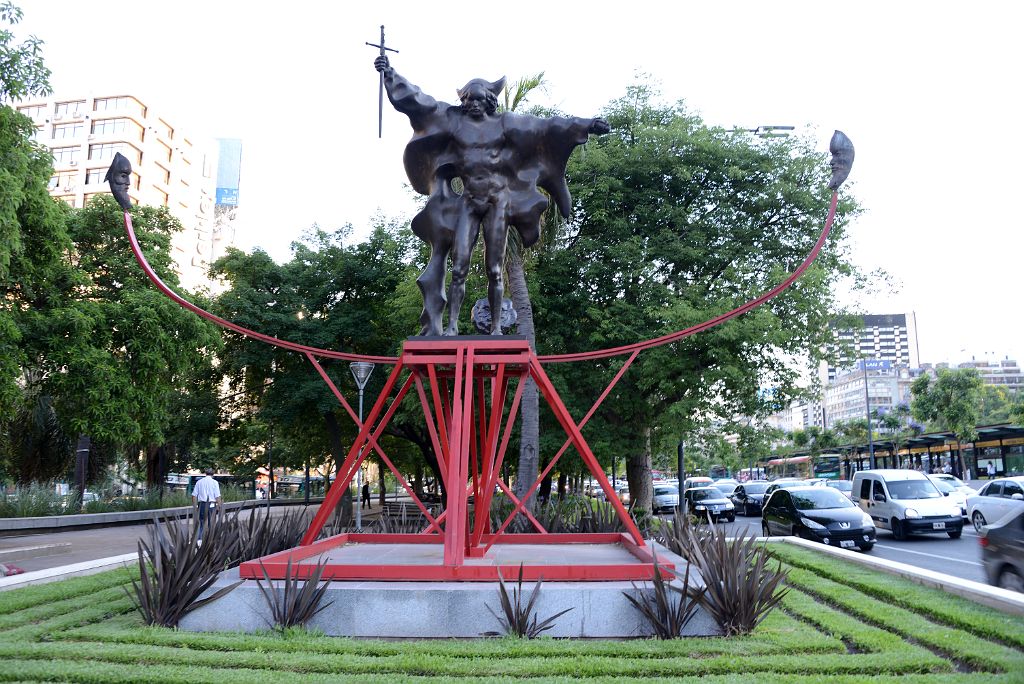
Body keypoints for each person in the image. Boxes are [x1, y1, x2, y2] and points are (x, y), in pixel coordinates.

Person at [374, 54, 610, 336]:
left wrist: (586, 124)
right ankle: (450, 327)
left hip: (498, 201)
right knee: (459, 266)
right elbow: (419, 101)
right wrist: (390, 74)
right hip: (470, 202)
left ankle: (496, 327)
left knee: (494, 269)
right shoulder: (453, 122)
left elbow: (547, 126)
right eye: (468, 100)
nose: (473, 104)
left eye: (478, 99)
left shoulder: (506, 123)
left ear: (489, 101)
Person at [191, 467, 222, 544]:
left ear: (206, 473)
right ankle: (210, 540)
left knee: (201, 523)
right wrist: (220, 506)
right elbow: (217, 496)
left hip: (201, 505)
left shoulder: (199, 482)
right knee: (211, 523)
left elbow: (194, 495)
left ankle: (199, 540)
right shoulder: (215, 482)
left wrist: (195, 507)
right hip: (211, 505)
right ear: (213, 474)